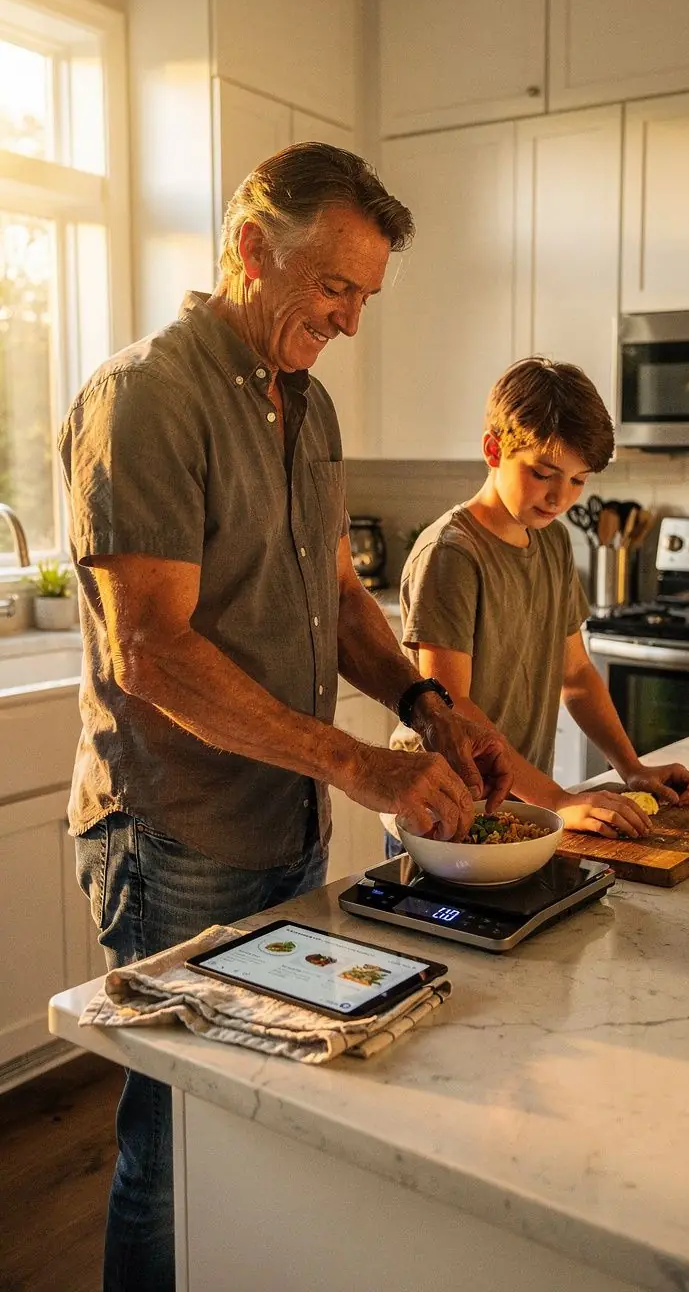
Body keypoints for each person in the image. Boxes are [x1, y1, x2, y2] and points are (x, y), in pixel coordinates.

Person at [59, 143, 512, 1292]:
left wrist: (422, 704)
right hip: (178, 835)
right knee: (172, 1144)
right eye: (334, 287)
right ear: (252, 247)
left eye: (364, 295)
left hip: (286, 819)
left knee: (267, 1119)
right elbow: (154, 654)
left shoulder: (302, 404)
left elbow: (341, 595)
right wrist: (360, 764)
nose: (351, 321)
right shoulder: (148, 395)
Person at [385, 356, 689, 854]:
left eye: (578, 481)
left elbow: (576, 677)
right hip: (441, 812)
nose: (561, 497)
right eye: (543, 473)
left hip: (518, 809)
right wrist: (555, 798)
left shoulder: (552, 543)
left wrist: (633, 768)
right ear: (494, 449)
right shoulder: (451, 553)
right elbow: (451, 706)